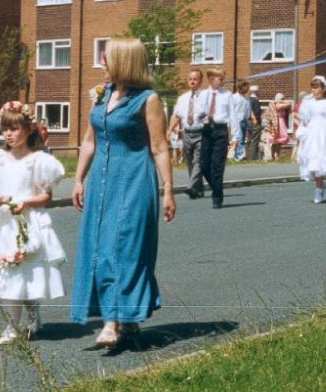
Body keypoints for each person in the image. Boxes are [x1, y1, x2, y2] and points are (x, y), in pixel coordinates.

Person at [71, 37, 176, 347]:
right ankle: (127, 317)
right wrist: (78, 179)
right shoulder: (100, 95)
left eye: (106, 57)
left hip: (133, 182)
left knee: (123, 248)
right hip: (101, 184)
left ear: (124, 61)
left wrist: (168, 190)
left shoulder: (148, 99)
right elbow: (89, 140)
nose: (101, 62)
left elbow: (158, 146)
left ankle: (112, 321)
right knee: (100, 248)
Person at [0, 101, 65, 345]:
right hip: (3, 224)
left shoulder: (37, 160)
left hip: (26, 223)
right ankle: (15, 325)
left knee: (26, 273)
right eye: (5, 129)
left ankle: (28, 320)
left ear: (27, 129)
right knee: (10, 271)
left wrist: (25, 202)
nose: (9, 134)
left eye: (14, 128)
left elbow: (46, 196)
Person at [295, 76, 326, 203]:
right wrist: (302, 132)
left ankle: (318, 189)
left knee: (320, 162)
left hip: (325, 132)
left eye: (316, 87)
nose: (313, 90)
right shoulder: (308, 102)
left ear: (323, 89)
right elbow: (304, 119)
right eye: (312, 87)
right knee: (311, 163)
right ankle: (320, 184)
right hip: (312, 132)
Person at [196, 67, 240, 209]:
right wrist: (201, 116)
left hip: (221, 131)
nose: (222, 82)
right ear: (211, 79)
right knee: (203, 165)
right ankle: (216, 187)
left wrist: (235, 137)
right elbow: (197, 113)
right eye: (220, 79)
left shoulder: (227, 95)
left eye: (223, 79)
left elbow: (233, 116)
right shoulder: (203, 95)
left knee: (217, 166)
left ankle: (217, 197)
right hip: (207, 130)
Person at [167, 69, 205, 199]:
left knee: (198, 161)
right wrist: (169, 130)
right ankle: (198, 189)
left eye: (195, 79)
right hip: (187, 134)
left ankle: (191, 186)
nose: (192, 81)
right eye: (190, 79)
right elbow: (176, 115)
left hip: (202, 133)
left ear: (200, 81)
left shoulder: (206, 97)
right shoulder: (183, 98)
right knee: (189, 162)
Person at [232, 81, 255, 162]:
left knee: (242, 138)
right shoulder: (234, 97)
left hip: (244, 120)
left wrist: (251, 117)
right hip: (237, 120)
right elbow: (231, 110)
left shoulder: (246, 97)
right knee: (239, 138)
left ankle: (237, 154)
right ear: (241, 87)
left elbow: (248, 108)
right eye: (246, 87)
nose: (247, 89)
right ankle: (239, 155)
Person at [266, 93, 291, 160]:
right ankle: (273, 155)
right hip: (277, 122)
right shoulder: (277, 105)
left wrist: (282, 101)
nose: (283, 100)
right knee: (275, 141)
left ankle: (277, 155)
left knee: (279, 141)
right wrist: (283, 101)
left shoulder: (280, 104)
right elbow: (288, 104)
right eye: (282, 99)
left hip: (281, 122)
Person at [245, 85, 263, 161]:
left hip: (247, 121)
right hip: (254, 121)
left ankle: (248, 156)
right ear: (256, 92)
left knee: (249, 139)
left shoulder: (247, 99)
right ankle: (252, 157)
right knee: (254, 139)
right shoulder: (255, 100)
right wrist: (256, 120)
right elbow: (256, 112)